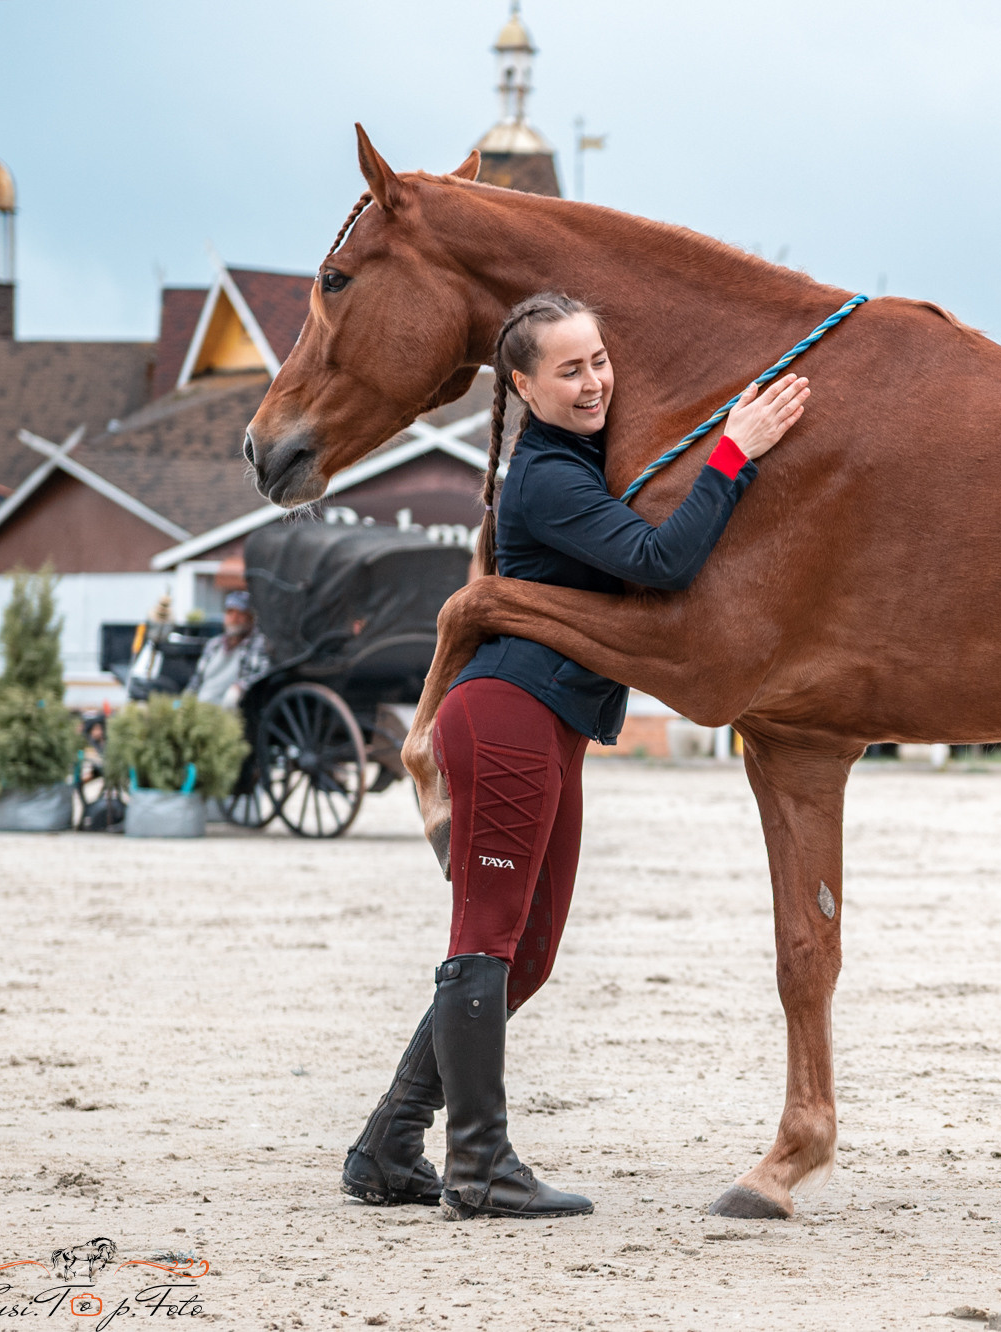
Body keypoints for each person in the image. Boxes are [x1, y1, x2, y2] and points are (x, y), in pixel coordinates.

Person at [341, 292, 810, 1221]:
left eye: (600, 360)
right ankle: (477, 1166)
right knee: (485, 939)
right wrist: (733, 452)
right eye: (569, 368)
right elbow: (659, 559)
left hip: (547, 728)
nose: (594, 381)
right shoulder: (549, 480)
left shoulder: (585, 459)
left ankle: (391, 1143)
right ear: (522, 384)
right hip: (506, 717)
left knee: (531, 954)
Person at [185, 590, 268, 708]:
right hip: (201, 710)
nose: (234, 619)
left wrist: (239, 688)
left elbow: (259, 676)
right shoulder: (213, 645)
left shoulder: (257, 644)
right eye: (230, 613)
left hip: (229, 716)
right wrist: (182, 703)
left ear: (250, 618)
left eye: (240, 614)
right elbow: (196, 681)